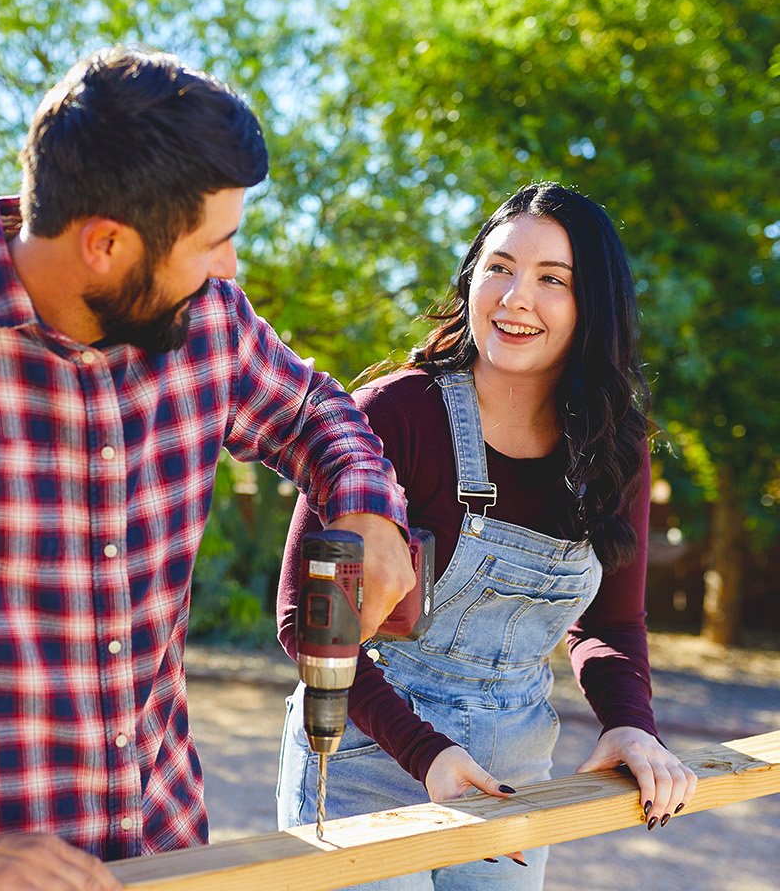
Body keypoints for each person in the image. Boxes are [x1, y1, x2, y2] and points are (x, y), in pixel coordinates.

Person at [0, 45, 416, 891]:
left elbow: (318, 413)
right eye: (215, 242)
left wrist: (367, 506)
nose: (229, 268)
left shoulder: (211, 327)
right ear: (106, 245)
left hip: (167, 860)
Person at [273, 182, 699, 889]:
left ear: (593, 305)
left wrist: (630, 724)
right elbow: (313, 625)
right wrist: (426, 753)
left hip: (513, 770)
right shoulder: (393, 415)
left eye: (551, 279)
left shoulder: (612, 446)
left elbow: (612, 622)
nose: (514, 297)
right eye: (498, 267)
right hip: (365, 751)